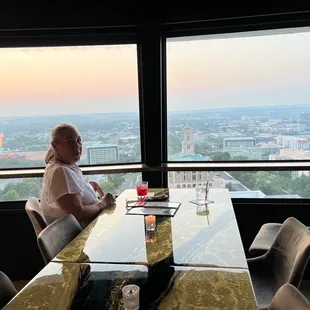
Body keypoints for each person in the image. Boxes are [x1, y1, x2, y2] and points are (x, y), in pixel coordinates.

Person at [40, 123, 115, 228]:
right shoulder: (60, 171)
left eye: (78, 140)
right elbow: (77, 214)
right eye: (70, 142)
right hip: (78, 237)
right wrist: (103, 203)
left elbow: (70, 197)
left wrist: (87, 188)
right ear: (55, 146)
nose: (77, 146)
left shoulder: (65, 165)